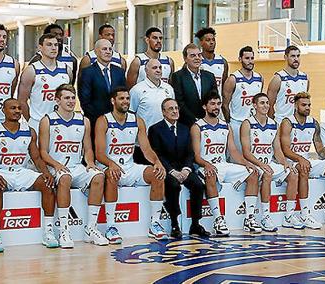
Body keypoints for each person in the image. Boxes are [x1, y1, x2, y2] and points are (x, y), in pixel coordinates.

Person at [0, 98, 58, 253]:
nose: (17, 111)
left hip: (22, 172)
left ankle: (48, 231)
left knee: (48, 184)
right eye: (12, 108)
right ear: (3, 110)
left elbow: (36, 158)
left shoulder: (29, 131)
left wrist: (46, 173)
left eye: (19, 108)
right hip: (1, 171)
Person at [95, 87, 168, 244]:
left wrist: (156, 162)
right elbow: (99, 154)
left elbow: (146, 149)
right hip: (108, 166)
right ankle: (110, 226)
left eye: (127, 98)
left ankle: (155, 223)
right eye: (121, 98)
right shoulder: (103, 120)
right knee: (112, 174)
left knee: (157, 174)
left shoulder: (137, 120)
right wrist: (111, 164)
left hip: (129, 167)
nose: (126, 101)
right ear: (113, 101)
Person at [39, 84, 109, 247]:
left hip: (77, 166)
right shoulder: (47, 120)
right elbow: (42, 151)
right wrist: (56, 165)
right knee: (65, 177)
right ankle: (64, 230)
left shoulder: (83, 120)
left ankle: (91, 229)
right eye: (66, 98)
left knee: (98, 175)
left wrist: (90, 163)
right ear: (57, 100)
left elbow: (88, 148)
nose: (71, 101)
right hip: (56, 166)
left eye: (72, 98)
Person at [190, 91, 262, 234]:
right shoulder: (197, 127)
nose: (216, 107)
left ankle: (249, 218)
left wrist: (246, 163)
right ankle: (218, 220)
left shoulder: (225, 126)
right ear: (205, 106)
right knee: (210, 173)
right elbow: (196, 156)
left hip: (223, 165)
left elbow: (233, 151)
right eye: (212, 104)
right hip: (206, 166)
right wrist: (207, 164)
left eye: (218, 104)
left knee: (253, 173)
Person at [279, 92, 325, 229]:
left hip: (306, 159)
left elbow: (320, 148)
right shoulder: (287, 122)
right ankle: (305, 214)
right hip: (290, 161)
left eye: (309, 105)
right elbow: (285, 149)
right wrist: (300, 159)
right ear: (295, 105)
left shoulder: (313, 123)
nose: (307, 108)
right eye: (304, 105)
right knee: (304, 167)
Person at [148, 99, 209, 238]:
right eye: (171, 109)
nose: (175, 111)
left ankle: (195, 223)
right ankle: (175, 223)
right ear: (163, 112)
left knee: (198, 185)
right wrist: (171, 171)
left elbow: (190, 152)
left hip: (184, 168)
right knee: (173, 185)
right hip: (166, 169)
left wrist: (187, 169)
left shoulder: (184, 128)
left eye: (176, 108)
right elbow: (157, 154)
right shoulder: (155, 129)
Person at [240, 93, 298, 232]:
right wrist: (261, 164)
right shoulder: (247, 124)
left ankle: (289, 216)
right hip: (253, 164)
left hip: (269, 163)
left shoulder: (273, 124)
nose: (266, 105)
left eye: (267, 103)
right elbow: (246, 152)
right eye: (262, 103)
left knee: (293, 174)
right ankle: (265, 216)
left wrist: (285, 163)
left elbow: (277, 149)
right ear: (254, 105)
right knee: (267, 174)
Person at [18, 33, 72, 133]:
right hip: (38, 122)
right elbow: (21, 100)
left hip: (61, 123)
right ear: (40, 47)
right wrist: (30, 121)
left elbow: (70, 97)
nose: (53, 48)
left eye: (56, 45)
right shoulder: (31, 70)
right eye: (49, 44)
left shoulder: (66, 70)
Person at [130, 58, 175, 164]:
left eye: (160, 67)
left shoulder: (169, 89)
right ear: (146, 71)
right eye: (154, 68)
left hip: (165, 141)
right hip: (144, 144)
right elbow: (131, 115)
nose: (158, 70)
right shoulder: (137, 90)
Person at [79, 39, 126, 132]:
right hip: (95, 121)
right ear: (96, 52)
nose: (108, 52)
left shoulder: (119, 71)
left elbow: (123, 94)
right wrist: (100, 119)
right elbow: (85, 100)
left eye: (110, 49)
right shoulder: (87, 72)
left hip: (117, 122)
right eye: (104, 49)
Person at [222, 46, 263, 152]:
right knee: (237, 158)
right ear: (240, 59)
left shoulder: (259, 78)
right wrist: (229, 122)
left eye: (252, 58)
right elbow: (225, 104)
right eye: (247, 58)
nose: (250, 61)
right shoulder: (232, 79)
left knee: (254, 155)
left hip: (254, 124)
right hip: (237, 123)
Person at [170, 43, 218, 127]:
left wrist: (206, 119)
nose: (197, 58)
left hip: (207, 122)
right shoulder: (177, 76)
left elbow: (214, 99)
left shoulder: (210, 76)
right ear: (185, 59)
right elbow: (179, 102)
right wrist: (195, 120)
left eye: (199, 55)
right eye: (192, 55)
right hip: (186, 123)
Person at [267, 45, 309, 124]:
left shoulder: (305, 78)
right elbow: (269, 105)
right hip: (281, 122)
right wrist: (273, 124)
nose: (296, 59)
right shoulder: (278, 79)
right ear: (285, 57)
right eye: (293, 56)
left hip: (299, 124)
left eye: (298, 56)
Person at [195, 27, 229, 96]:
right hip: (199, 104)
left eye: (213, 40)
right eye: (208, 40)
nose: (211, 42)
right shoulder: (195, 61)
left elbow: (224, 87)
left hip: (216, 104)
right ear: (201, 43)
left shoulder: (222, 62)